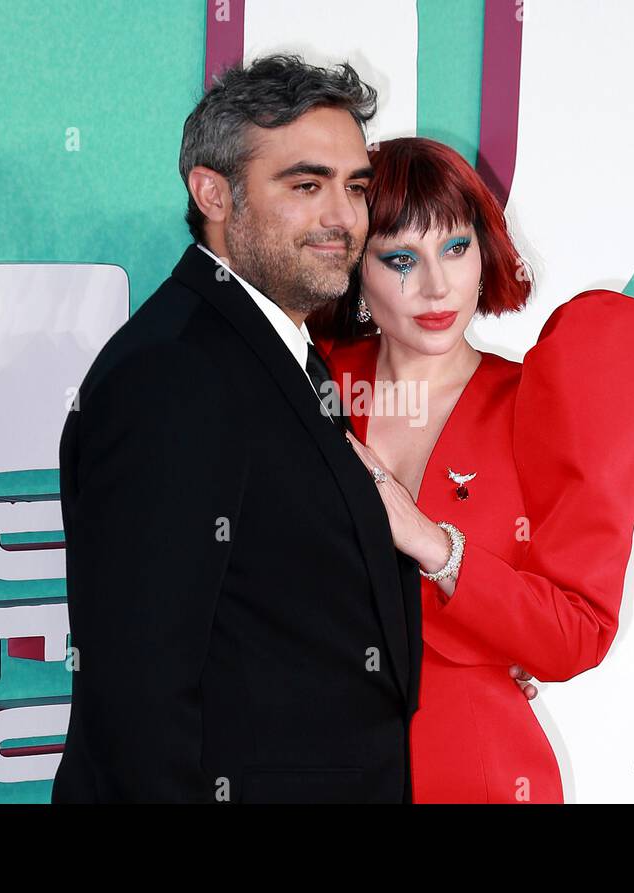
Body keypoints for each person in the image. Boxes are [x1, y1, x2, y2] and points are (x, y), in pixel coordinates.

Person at [52, 54, 423, 803]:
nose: (344, 217)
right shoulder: (174, 372)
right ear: (212, 192)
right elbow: (137, 697)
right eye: (306, 184)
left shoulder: (273, 347)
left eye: (355, 187)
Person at [308, 136, 634, 803]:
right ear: (356, 267)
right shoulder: (304, 383)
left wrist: (432, 543)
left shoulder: (537, 403)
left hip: (476, 771)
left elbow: (575, 632)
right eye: (400, 258)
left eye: (455, 247)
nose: (436, 285)